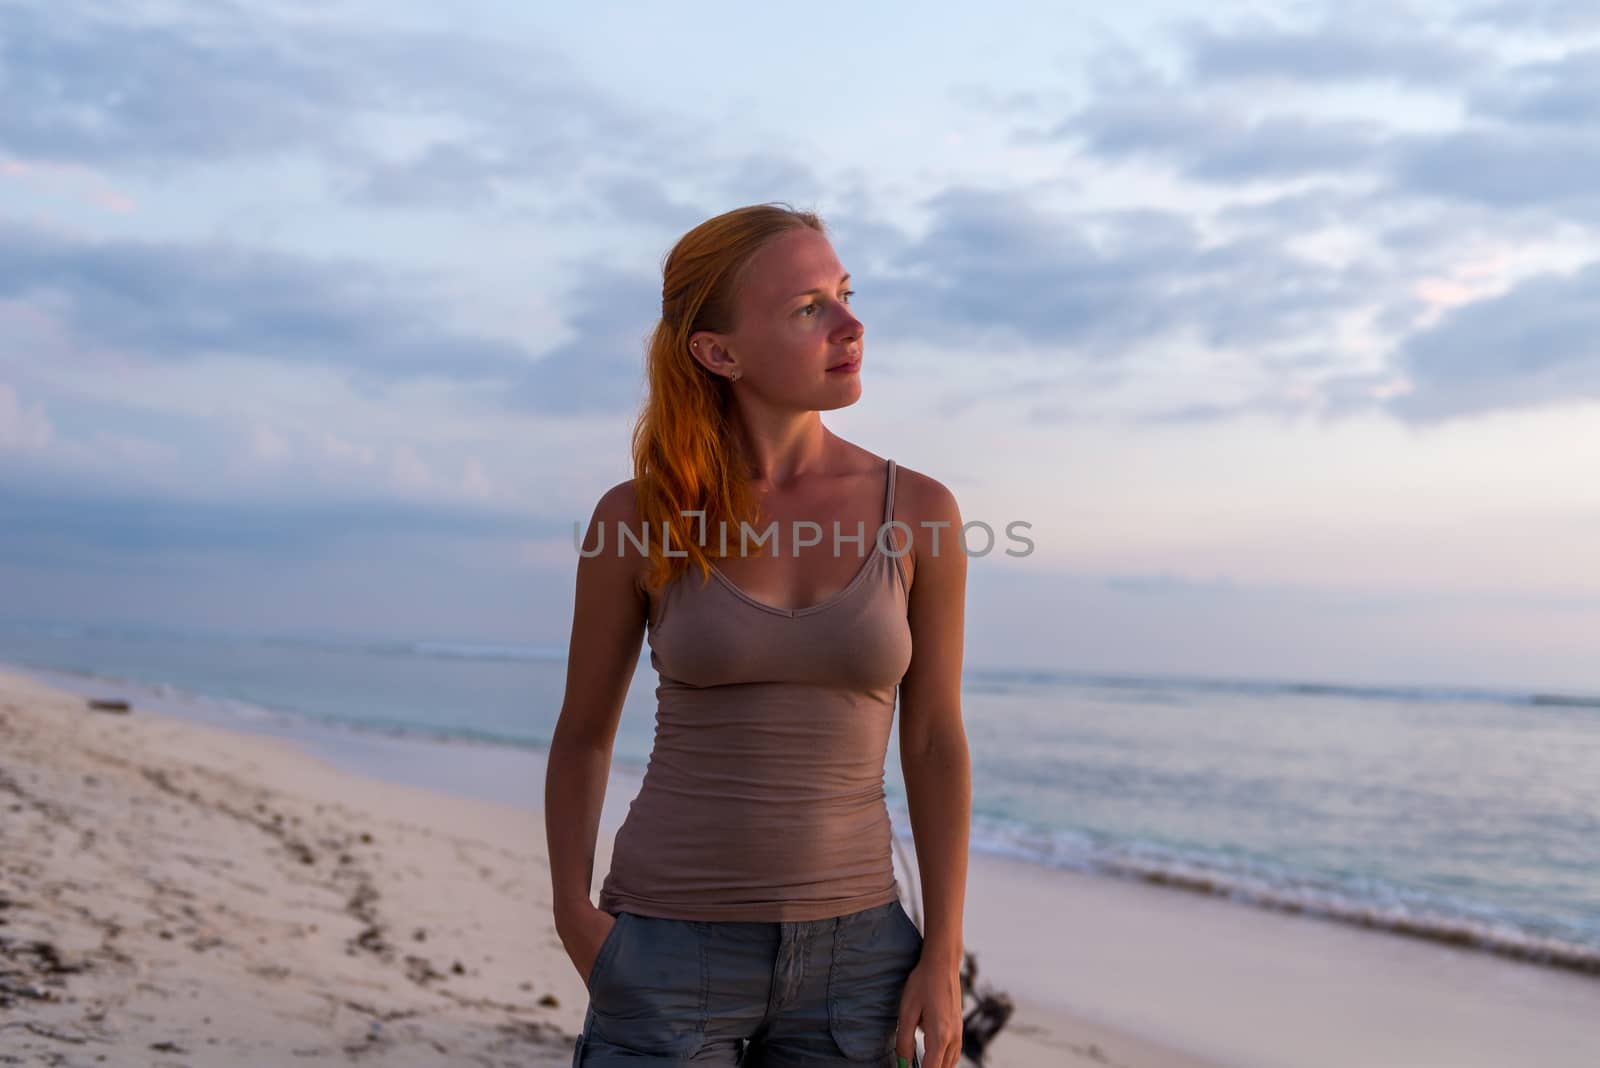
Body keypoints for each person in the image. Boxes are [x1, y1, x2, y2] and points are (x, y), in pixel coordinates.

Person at [545, 202, 972, 1068]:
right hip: (663, 949)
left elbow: (932, 740)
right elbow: (584, 733)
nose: (852, 325)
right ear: (719, 352)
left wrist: (942, 953)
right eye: (809, 307)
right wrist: (573, 916)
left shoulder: (921, 511)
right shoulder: (639, 518)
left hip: (860, 963)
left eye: (846, 294)